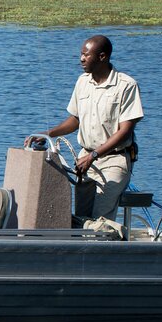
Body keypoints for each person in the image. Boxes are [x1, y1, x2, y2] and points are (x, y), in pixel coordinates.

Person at [27, 34, 143, 221]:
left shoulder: (126, 86)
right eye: (81, 54)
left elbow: (125, 131)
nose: (81, 59)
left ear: (102, 57)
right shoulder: (83, 82)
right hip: (85, 161)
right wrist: (49, 133)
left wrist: (94, 155)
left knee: (100, 220)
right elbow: (75, 119)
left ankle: (105, 245)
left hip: (113, 161)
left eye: (86, 55)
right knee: (81, 217)